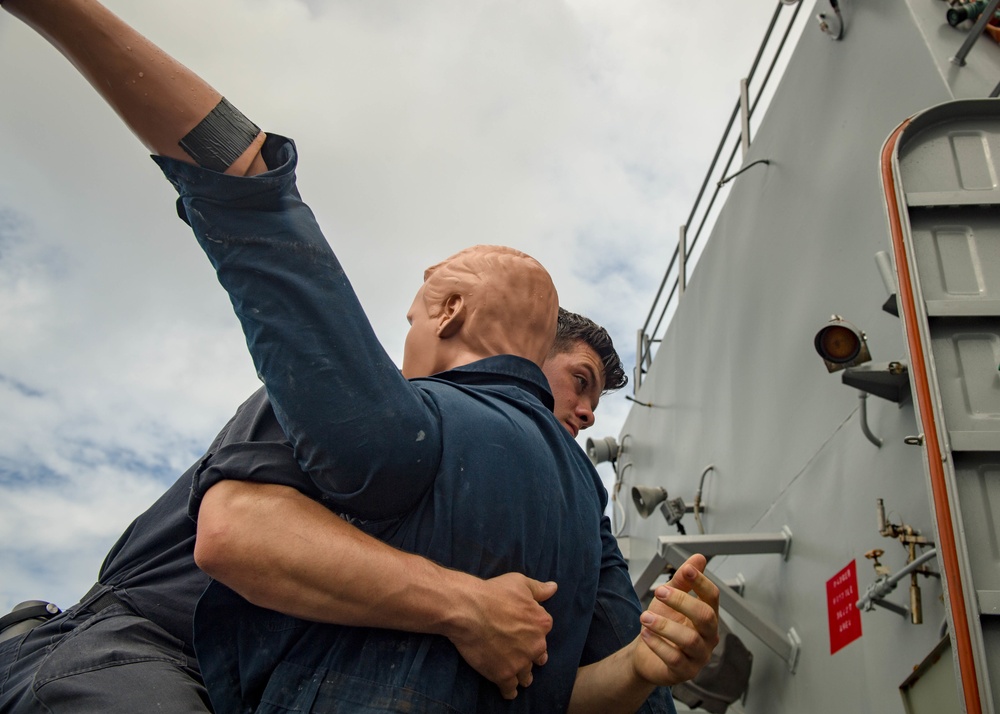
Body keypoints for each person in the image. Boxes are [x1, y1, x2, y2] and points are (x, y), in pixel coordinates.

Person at [0, 1, 719, 712]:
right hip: (146, 640)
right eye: (579, 383)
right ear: (466, 317)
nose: (585, 417)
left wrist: (642, 664)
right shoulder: (376, 406)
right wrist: (462, 603)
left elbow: (553, 689)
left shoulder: (568, 517)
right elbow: (237, 533)